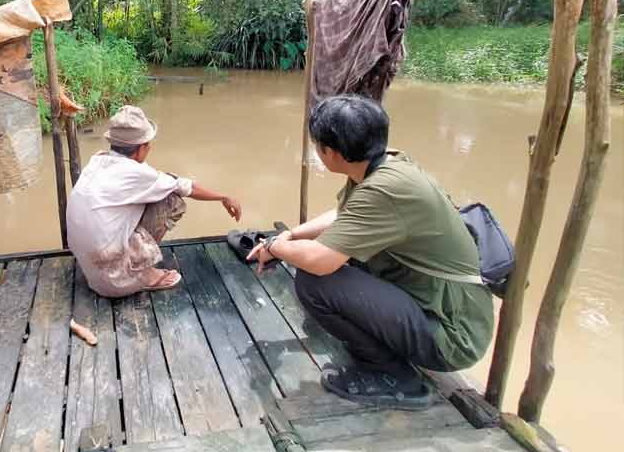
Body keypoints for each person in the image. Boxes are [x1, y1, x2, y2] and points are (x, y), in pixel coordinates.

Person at [249, 94, 493, 409]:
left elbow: (320, 262)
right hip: (443, 306)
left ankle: (394, 377)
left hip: (452, 336)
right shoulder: (386, 165)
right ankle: (382, 348)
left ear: (330, 153)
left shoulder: (383, 189)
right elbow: (345, 216)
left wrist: (276, 246)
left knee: (314, 281)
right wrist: (292, 234)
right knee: (343, 255)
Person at [67, 105, 242, 298]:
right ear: (141, 148)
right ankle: (144, 275)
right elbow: (185, 187)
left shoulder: (97, 161)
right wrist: (223, 197)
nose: (150, 148)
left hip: (90, 270)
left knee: (149, 196)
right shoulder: (137, 173)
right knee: (172, 200)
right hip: (114, 280)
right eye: (148, 144)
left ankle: (131, 262)